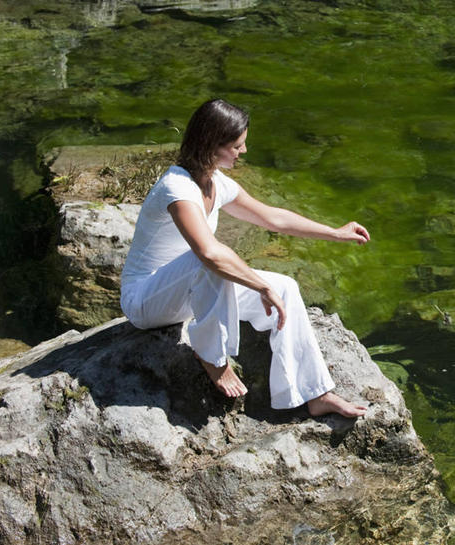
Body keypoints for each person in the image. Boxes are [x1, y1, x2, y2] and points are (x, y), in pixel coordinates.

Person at [120, 99, 369, 418]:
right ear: (212, 144)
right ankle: (213, 357)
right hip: (145, 301)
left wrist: (335, 232)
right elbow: (208, 253)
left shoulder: (216, 183)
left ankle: (316, 395)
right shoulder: (177, 188)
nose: (244, 151)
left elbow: (273, 218)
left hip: (188, 292)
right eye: (237, 145)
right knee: (212, 258)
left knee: (287, 287)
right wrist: (259, 287)